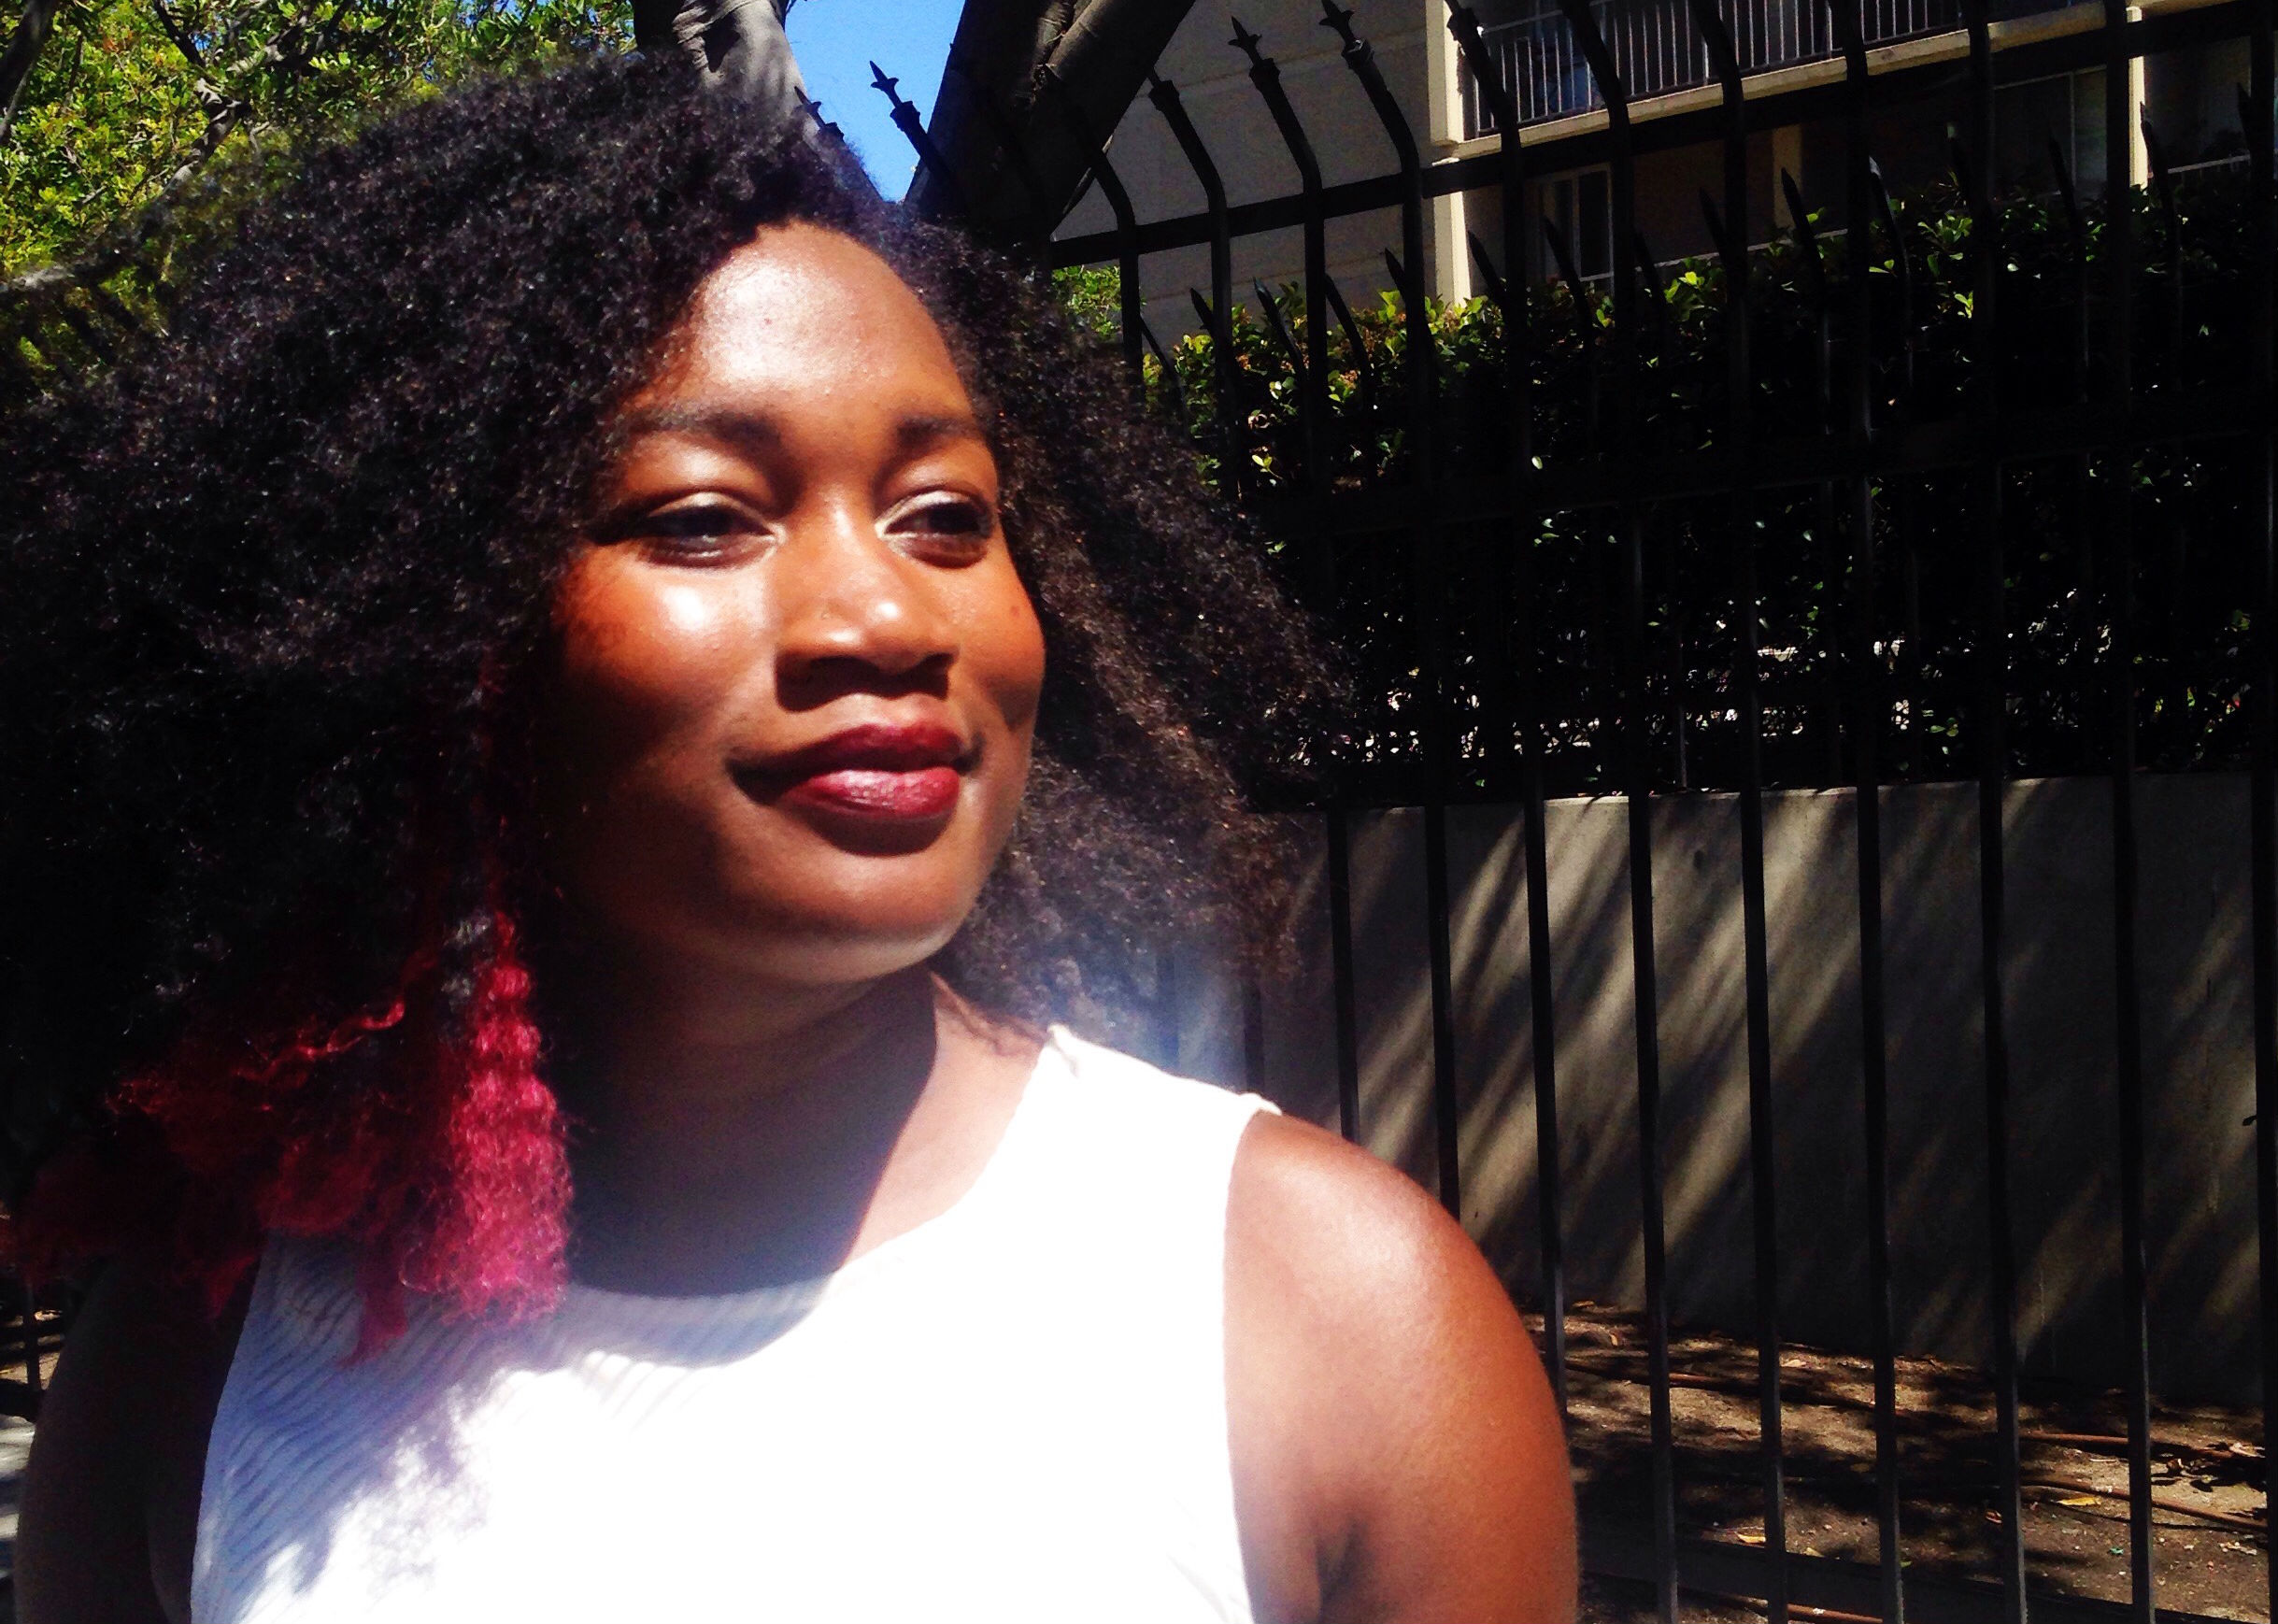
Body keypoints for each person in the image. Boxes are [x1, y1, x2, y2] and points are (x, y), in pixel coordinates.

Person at [2, 55, 1574, 1624]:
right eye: (703, 517)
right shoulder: (203, 1345)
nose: (888, 614)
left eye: (945, 515)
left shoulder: (1329, 1319)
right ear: (427, 631)